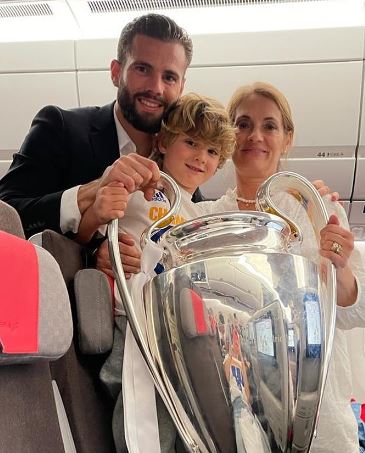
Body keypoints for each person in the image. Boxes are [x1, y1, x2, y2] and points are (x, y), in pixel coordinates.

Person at [198, 82, 365, 453]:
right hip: (236, 423)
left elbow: (356, 311)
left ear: (287, 139)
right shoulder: (206, 220)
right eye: (242, 124)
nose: (255, 135)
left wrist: (340, 270)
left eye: (269, 126)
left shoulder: (319, 212)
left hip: (321, 422)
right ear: (227, 136)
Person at [83, 92, 236, 453]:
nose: (201, 156)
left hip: (175, 327)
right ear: (165, 142)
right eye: (192, 142)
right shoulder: (145, 184)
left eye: (212, 152)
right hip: (135, 315)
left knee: (182, 411)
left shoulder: (200, 216)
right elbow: (101, 220)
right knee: (134, 393)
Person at [0, 13, 196, 257]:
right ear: (116, 72)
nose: (156, 88)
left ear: (181, 86)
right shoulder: (60, 127)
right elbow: (5, 214)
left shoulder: (184, 153)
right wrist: (89, 193)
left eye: (169, 77)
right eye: (143, 69)